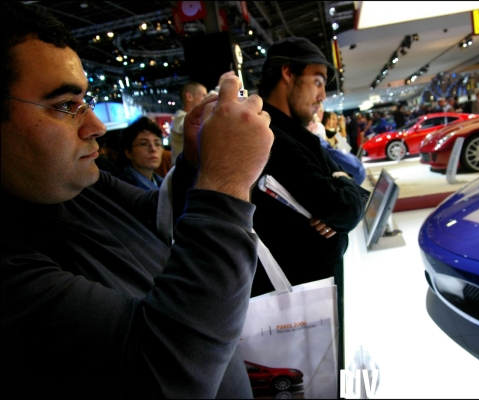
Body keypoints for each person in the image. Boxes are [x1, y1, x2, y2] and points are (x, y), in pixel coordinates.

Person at [1, 2, 274, 398]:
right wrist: (226, 181)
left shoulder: (77, 186)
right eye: (64, 106)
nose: (95, 126)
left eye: (85, 102)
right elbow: (169, 373)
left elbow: (155, 217)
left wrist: (197, 163)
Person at [253, 36, 366, 370]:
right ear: (288, 74)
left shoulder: (295, 134)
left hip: (313, 297)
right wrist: (342, 195)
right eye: (317, 82)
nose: (322, 96)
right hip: (298, 303)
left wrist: (342, 187)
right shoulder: (272, 137)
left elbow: (350, 192)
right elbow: (345, 208)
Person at [118, 116, 165, 190]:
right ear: (128, 153)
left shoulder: (163, 183)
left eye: (157, 143)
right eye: (143, 143)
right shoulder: (123, 188)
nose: (153, 149)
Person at [170, 81, 207, 165]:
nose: (206, 99)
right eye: (204, 95)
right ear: (189, 97)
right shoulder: (179, 119)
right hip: (183, 176)